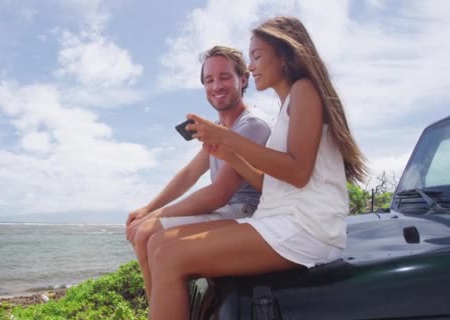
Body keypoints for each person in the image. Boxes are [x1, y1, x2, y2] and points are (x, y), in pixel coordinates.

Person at [145, 16, 368, 320]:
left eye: (257, 56)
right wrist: (231, 153)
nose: (251, 66)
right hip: (281, 218)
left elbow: (298, 173)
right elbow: (273, 184)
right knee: (160, 247)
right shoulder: (289, 104)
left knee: (169, 257)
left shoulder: (304, 91)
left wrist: (227, 138)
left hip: (305, 228)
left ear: (286, 55)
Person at [125, 45, 271, 301]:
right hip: (228, 211)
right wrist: (148, 208)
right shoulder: (219, 127)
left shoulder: (252, 124)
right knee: (143, 231)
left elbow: (220, 193)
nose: (216, 86)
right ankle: (158, 309)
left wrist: (151, 218)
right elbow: (190, 173)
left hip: (247, 212)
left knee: (146, 233)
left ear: (243, 79)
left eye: (225, 77)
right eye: (209, 80)